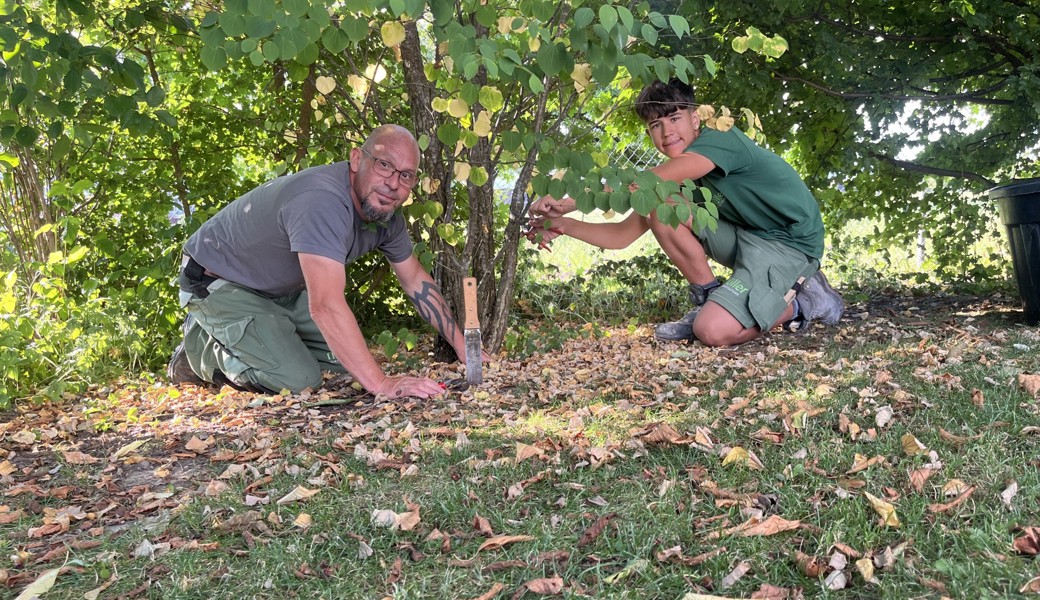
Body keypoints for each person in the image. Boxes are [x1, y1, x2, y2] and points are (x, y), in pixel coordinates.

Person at [168, 124, 483, 398]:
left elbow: (414, 280)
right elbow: (325, 305)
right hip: (217, 281)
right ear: (357, 159)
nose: (393, 183)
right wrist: (383, 384)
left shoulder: (387, 215)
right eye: (384, 165)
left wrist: (463, 348)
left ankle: (263, 337)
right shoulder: (322, 200)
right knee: (298, 380)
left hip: (279, 291)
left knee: (343, 365)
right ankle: (199, 351)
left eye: (406, 176)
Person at [526, 79, 844, 346]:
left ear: (695, 118)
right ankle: (708, 296)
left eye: (674, 118)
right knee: (656, 200)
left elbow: (646, 181)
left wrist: (568, 199)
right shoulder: (677, 175)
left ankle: (806, 302)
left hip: (790, 246)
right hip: (747, 236)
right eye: (656, 124)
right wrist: (562, 223)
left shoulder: (719, 139)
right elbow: (621, 236)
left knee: (712, 331)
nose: (666, 133)